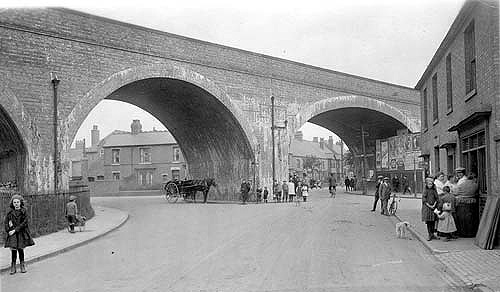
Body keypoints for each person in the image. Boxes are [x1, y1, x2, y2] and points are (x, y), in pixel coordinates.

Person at [4, 194, 35, 274]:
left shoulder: (24, 212)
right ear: (12, 203)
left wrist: (15, 230)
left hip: (21, 233)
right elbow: (6, 222)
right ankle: (13, 266)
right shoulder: (10, 212)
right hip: (12, 234)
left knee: (21, 249)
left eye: (18, 202)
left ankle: (22, 265)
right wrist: (8, 230)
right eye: (14, 202)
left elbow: (24, 223)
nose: (16, 204)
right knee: (13, 250)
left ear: (21, 203)